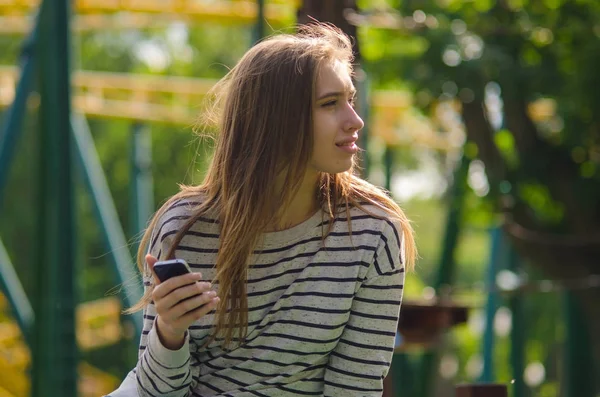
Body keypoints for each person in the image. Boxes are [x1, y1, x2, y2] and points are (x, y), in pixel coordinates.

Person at [109, 22, 416, 397]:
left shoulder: (375, 231)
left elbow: (355, 388)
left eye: (350, 99)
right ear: (275, 119)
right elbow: (157, 394)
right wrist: (169, 334)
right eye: (330, 104)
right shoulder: (185, 229)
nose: (355, 120)